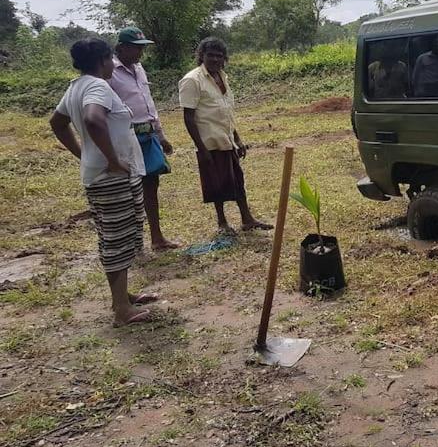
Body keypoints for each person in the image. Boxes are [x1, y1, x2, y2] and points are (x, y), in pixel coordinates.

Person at [49, 38, 155, 327]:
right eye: (110, 59)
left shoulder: (76, 86)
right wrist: (110, 159)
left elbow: (57, 123)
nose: (112, 65)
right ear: (103, 60)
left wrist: (84, 154)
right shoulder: (97, 86)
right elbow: (93, 119)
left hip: (107, 174)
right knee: (117, 239)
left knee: (119, 235)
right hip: (111, 178)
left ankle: (121, 296)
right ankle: (122, 309)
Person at [178, 37, 272, 234]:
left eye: (219, 56)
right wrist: (202, 148)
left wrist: (237, 138)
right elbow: (188, 117)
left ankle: (247, 219)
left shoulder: (222, 77)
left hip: (227, 139)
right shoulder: (192, 80)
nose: (214, 59)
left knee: (238, 180)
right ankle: (222, 223)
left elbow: (226, 111)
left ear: (224, 59)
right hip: (209, 142)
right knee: (216, 184)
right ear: (201, 56)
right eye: (210, 55)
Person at [108, 26, 179, 251]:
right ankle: (132, 241)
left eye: (142, 49)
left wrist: (161, 135)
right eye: (136, 48)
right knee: (129, 188)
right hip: (126, 137)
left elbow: (149, 103)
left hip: (148, 135)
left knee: (151, 184)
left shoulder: (139, 69)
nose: (140, 53)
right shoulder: (109, 72)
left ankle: (157, 237)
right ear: (121, 48)